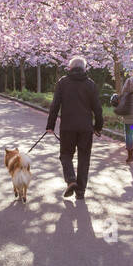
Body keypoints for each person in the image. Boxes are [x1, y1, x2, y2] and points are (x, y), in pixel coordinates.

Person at [45, 56, 103, 200]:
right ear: (84, 69)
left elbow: (55, 106)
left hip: (68, 127)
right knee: (84, 158)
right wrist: (98, 127)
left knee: (65, 155)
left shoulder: (63, 83)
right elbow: (98, 109)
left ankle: (71, 180)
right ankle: (80, 191)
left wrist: (50, 125)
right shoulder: (91, 84)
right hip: (85, 128)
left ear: (70, 68)